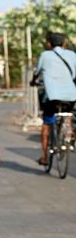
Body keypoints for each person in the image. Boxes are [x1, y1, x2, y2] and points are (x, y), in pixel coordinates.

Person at [31, 32, 76, 166]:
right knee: (68, 115)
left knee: (46, 124)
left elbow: (37, 72)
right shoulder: (72, 55)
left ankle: (44, 157)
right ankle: (68, 135)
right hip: (71, 95)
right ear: (65, 44)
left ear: (49, 44)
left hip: (52, 96)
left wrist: (33, 81)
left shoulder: (45, 55)